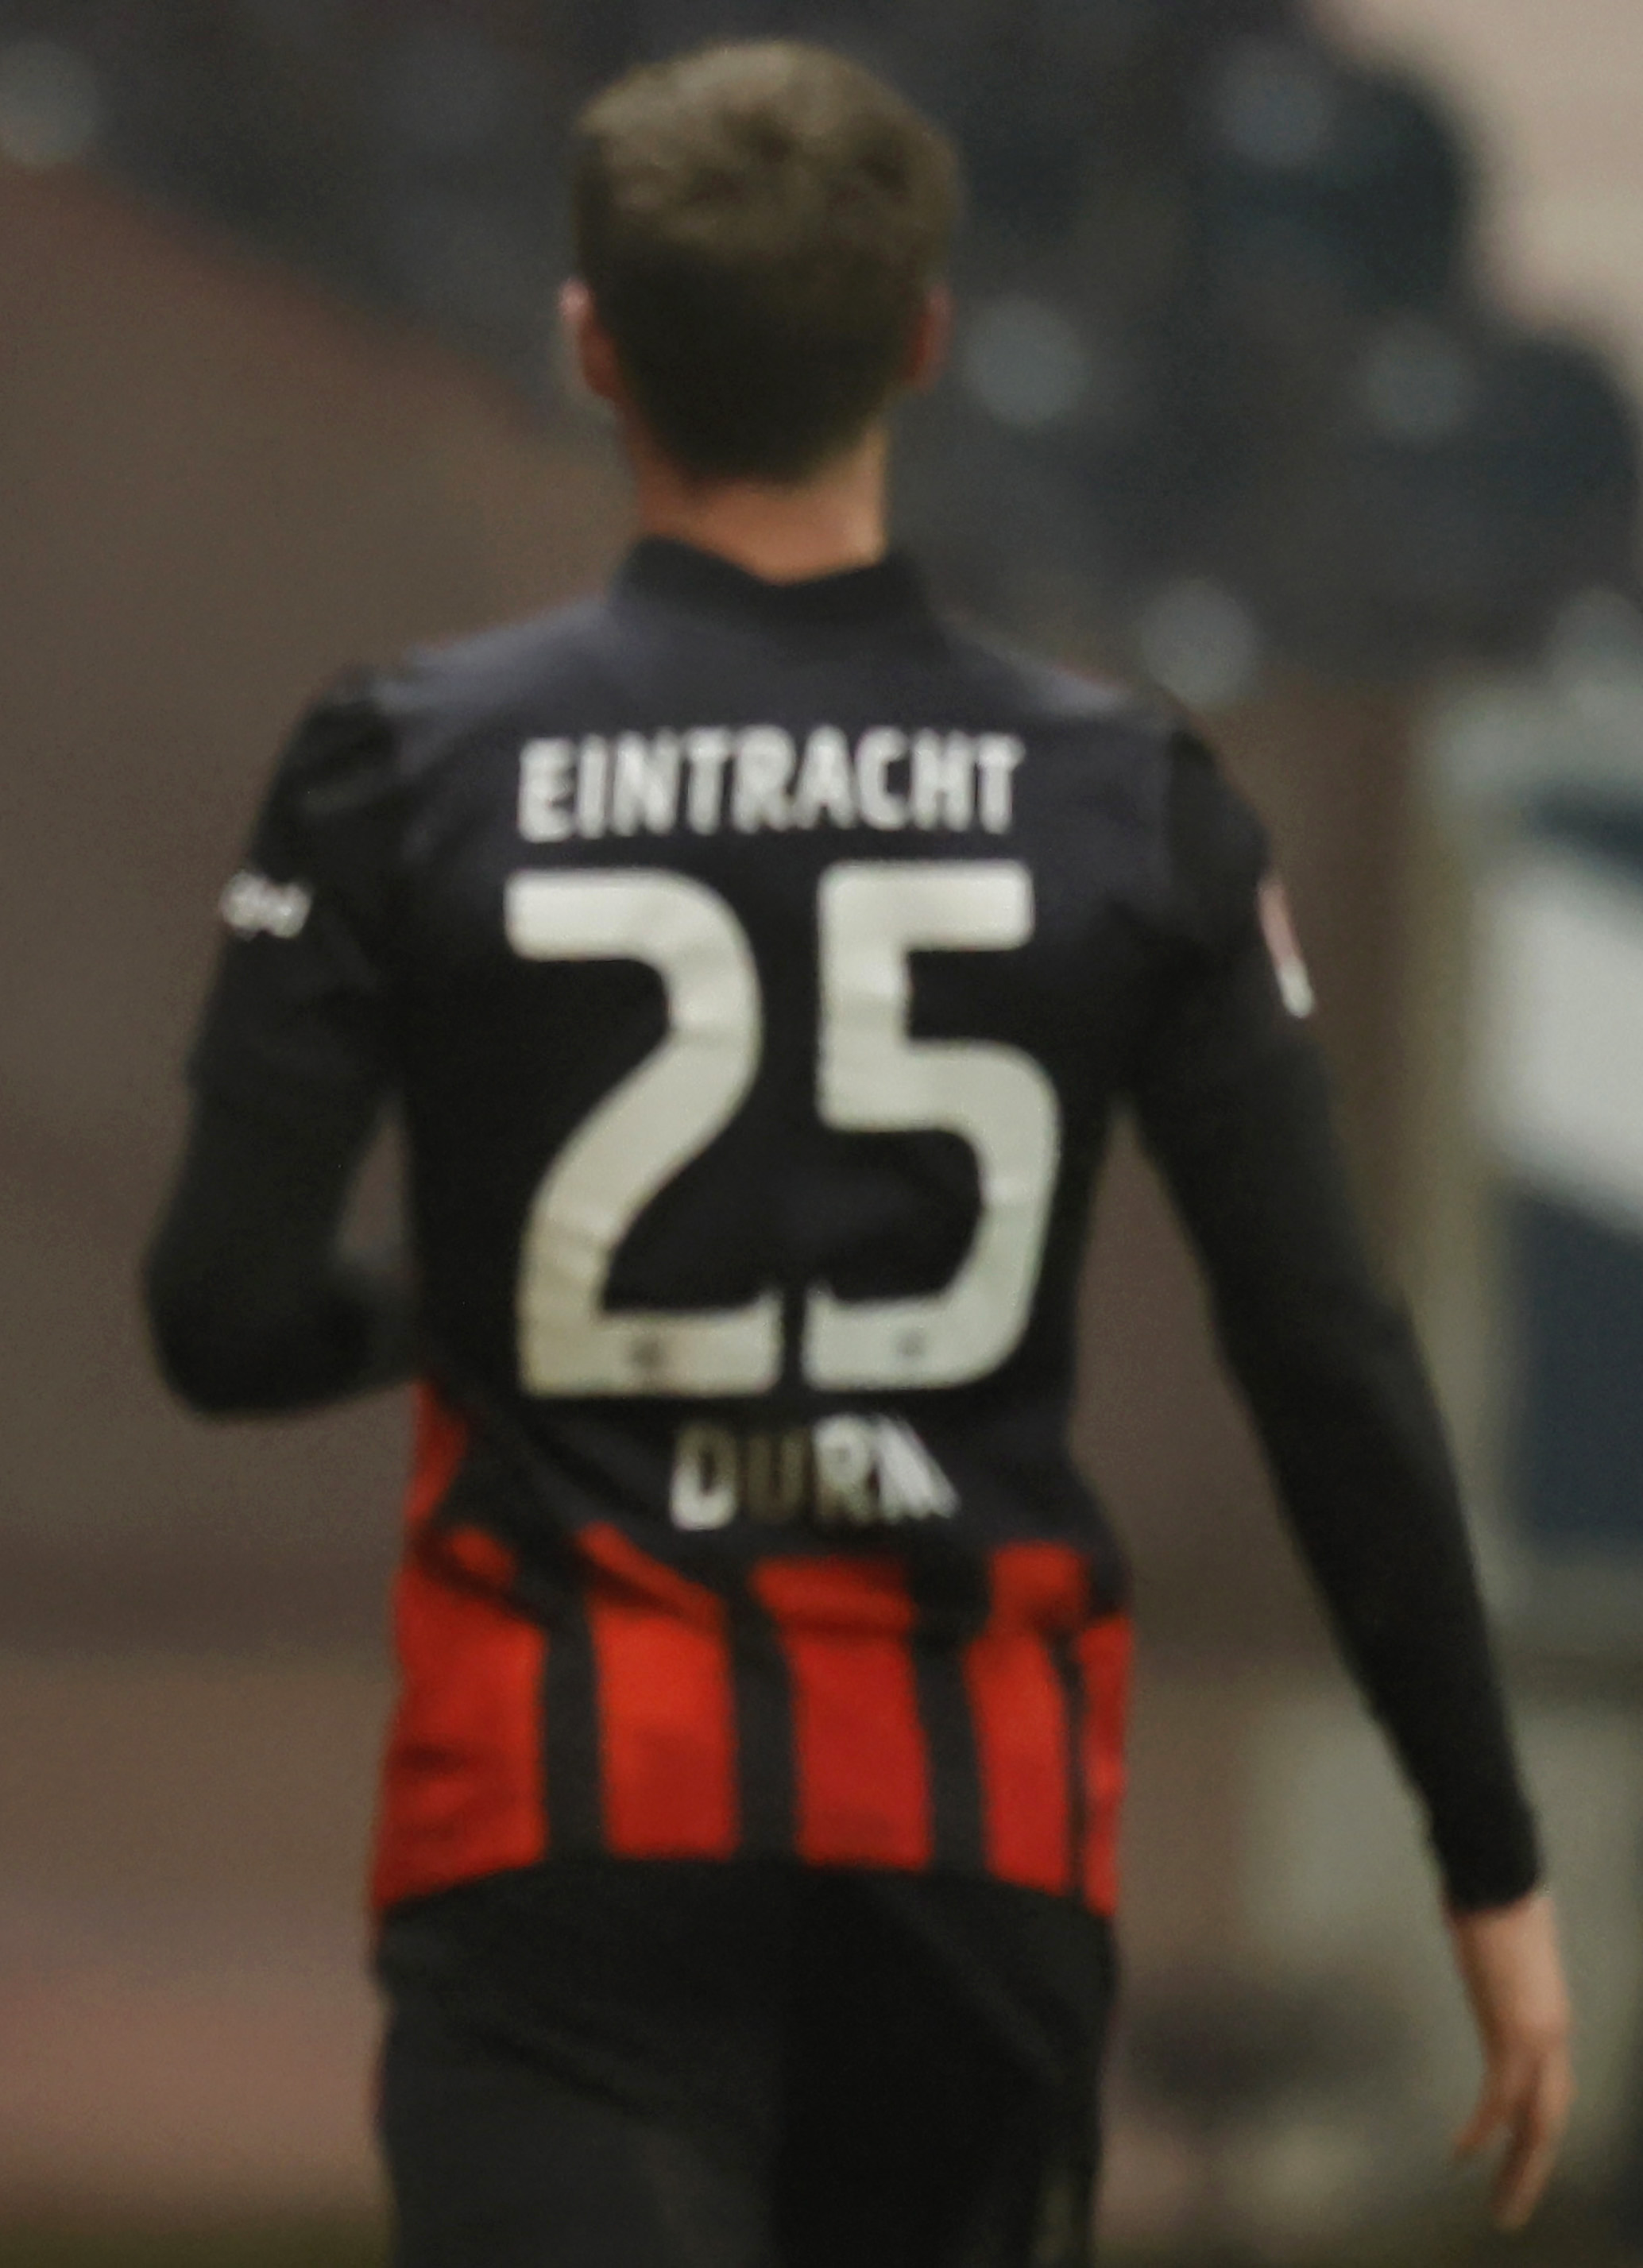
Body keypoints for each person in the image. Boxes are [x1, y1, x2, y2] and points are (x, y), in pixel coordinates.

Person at [145, 41, 1571, 2266]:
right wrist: (1483, 1857)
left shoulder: (399, 763)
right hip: (967, 1838)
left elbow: (218, 1321)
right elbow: (1324, 1350)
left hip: (559, 1823)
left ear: (590, 344)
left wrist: (465, 1312)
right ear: (919, 344)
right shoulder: (1127, 792)